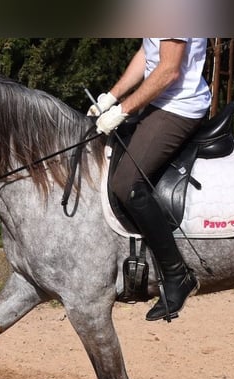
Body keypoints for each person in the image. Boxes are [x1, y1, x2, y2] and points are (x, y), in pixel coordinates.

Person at [88, 38, 211, 321]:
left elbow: (168, 70)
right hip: (159, 100)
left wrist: (123, 111)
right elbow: (148, 52)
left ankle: (177, 275)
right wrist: (111, 96)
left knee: (127, 183)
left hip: (179, 107)